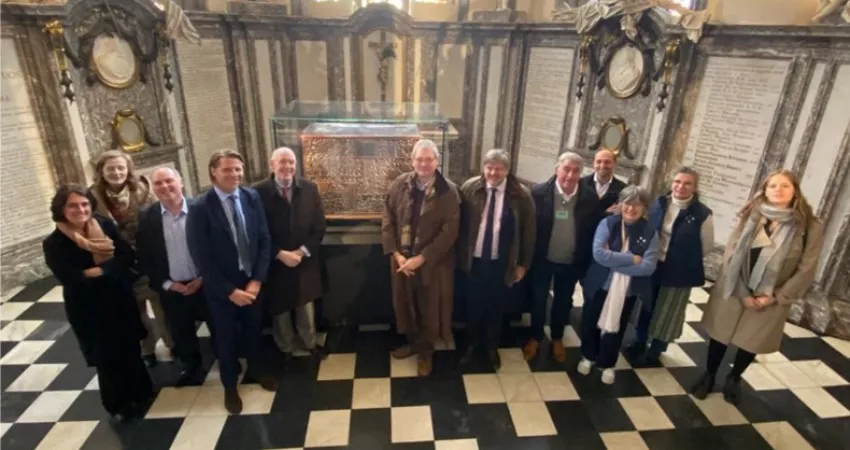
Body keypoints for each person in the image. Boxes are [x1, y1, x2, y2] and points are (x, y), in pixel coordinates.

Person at [691, 169, 823, 404]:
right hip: (735, 287)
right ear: (765, 190)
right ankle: (709, 374)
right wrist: (743, 292)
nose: (778, 190)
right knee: (721, 334)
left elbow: (806, 268)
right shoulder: (753, 215)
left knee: (751, 339)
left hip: (771, 295)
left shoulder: (809, 226)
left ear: (795, 192)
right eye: (773, 186)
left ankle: (734, 378)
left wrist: (776, 296)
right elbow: (732, 251)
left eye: (785, 186)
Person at [43, 184, 153, 421]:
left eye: (84, 204)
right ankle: (119, 404)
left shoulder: (102, 224)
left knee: (130, 347)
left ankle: (142, 392)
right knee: (107, 356)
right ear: (61, 209)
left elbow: (126, 254)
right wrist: (108, 270)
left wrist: (99, 270)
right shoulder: (54, 243)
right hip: (88, 307)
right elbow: (70, 277)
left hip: (118, 298)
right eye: (73, 205)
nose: (80, 209)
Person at [186, 150, 277, 414]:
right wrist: (229, 291)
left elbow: (264, 239)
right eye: (227, 170)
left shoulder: (251, 197)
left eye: (238, 169)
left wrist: (257, 280)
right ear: (213, 172)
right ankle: (229, 387)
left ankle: (257, 370)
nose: (234, 174)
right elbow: (201, 256)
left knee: (254, 330)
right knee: (225, 339)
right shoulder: (200, 207)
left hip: (251, 282)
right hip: (221, 287)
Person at [381, 139, 460, 377]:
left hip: (432, 264)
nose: (424, 164)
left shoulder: (449, 191)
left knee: (429, 306)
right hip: (402, 261)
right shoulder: (399, 184)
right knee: (406, 302)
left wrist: (422, 258)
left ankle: (426, 351)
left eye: (429, 159)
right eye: (419, 159)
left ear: (437, 161)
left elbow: (450, 232)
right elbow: (388, 219)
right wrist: (396, 254)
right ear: (412, 160)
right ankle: (413, 341)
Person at [91, 150, 172, 367]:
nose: (116, 172)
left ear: (128, 170)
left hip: (148, 257)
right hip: (117, 262)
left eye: (120, 168)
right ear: (101, 171)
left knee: (161, 307)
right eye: (110, 168)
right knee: (135, 311)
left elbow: (158, 219)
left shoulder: (144, 189)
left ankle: (172, 345)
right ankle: (147, 349)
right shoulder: (92, 196)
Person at [137, 167, 215, 387]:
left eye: (169, 181)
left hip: (205, 283)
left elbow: (216, 247)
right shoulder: (147, 217)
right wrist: (168, 284)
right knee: (181, 332)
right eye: (158, 184)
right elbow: (145, 256)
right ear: (153, 189)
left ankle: (227, 361)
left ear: (181, 182)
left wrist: (203, 277)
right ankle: (192, 368)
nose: (165, 187)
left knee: (218, 326)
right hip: (173, 289)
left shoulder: (201, 209)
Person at [457, 149, 535, 370]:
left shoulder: (521, 195)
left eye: (499, 168)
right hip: (474, 260)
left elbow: (529, 233)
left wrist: (523, 264)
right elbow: (459, 224)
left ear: (507, 171)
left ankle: (491, 347)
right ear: (483, 167)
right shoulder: (470, 188)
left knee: (495, 306)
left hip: (502, 262)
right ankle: (471, 344)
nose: (493, 172)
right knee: (473, 304)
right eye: (489, 167)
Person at [628, 167, 714, 364]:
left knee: (668, 310)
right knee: (646, 304)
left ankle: (657, 348)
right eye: (677, 182)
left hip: (679, 270)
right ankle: (639, 341)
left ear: (695, 187)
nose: (680, 187)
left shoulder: (702, 214)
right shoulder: (659, 203)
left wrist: (682, 257)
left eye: (687, 183)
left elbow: (706, 246)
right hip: (653, 264)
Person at [523, 151, 602, 363]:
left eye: (576, 171)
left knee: (563, 301)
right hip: (543, 259)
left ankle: (557, 337)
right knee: (539, 300)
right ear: (557, 169)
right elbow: (529, 227)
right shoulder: (539, 192)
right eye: (566, 169)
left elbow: (593, 231)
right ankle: (535, 336)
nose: (570, 175)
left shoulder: (589, 197)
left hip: (571, 261)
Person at [579, 186, 659, 384]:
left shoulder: (650, 232)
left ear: (644, 208)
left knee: (617, 327)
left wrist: (613, 262)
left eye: (637, 205)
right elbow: (599, 254)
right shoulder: (608, 223)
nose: (631, 209)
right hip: (599, 284)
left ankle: (607, 363)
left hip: (627, 291)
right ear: (621, 204)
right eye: (627, 203)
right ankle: (588, 356)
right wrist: (632, 259)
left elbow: (648, 267)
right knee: (590, 322)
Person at [254, 147, 328, 361]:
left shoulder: (309, 188)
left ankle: (309, 343)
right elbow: (256, 231)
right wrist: (279, 253)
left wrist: (301, 251)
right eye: (282, 162)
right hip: (275, 262)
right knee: (280, 310)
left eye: (291, 162)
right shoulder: (257, 192)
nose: (287, 167)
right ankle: (285, 348)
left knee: (306, 307)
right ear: (272, 164)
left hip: (303, 260)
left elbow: (319, 226)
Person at [581, 149, 627, 214]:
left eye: (607, 162)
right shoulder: (581, 183)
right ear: (593, 163)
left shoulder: (623, 189)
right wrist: (605, 212)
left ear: (615, 164)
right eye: (598, 161)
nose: (602, 166)